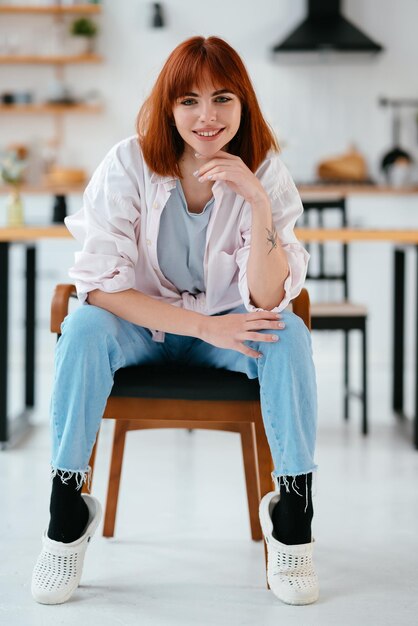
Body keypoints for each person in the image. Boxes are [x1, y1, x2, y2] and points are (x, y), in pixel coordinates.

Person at [31, 35, 318, 606]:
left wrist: (257, 200)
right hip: (140, 329)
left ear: (244, 105)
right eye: (188, 100)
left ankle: (292, 518)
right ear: (168, 106)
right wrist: (206, 327)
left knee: (287, 333)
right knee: (83, 324)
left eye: (222, 99)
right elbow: (102, 288)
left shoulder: (266, 171)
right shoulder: (128, 163)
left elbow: (266, 295)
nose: (206, 116)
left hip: (227, 331)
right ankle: (66, 511)